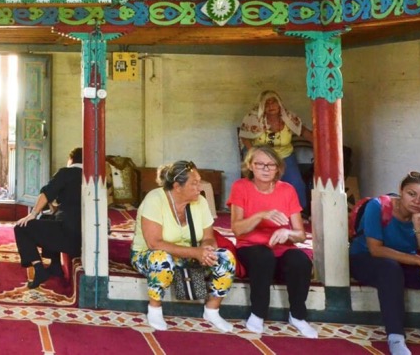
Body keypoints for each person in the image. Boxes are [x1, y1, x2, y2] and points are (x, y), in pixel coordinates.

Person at [131, 160, 236, 332]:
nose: (199, 187)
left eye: (199, 182)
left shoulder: (200, 202)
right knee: (161, 259)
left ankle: (212, 310)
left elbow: (208, 237)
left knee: (226, 258)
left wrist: (208, 250)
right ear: (177, 187)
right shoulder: (155, 199)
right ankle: (155, 309)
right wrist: (195, 252)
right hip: (149, 254)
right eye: (194, 183)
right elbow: (154, 243)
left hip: (190, 255)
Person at [228, 145, 318, 338]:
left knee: (300, 261)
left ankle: (298, 316)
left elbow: (301, 235)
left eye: (271, 165)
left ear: (278, 168)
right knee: (263, 256)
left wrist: (288, 232)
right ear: (250, 166)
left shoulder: (287, 190)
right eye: (260, 164)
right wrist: (261, 215)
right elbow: (237, 229)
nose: (266, 169)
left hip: (281, 250)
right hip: (251, 248)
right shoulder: (241, 186)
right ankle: (258, 313)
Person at [349, 172, 420, 355]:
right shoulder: (378, 206)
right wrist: (417, 259)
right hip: (366, 260)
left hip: (402, 263)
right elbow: (376, 249)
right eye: (411, 194)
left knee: (395, 269)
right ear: (401, 191)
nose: (417, 201)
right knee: (390, 269)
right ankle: (396, 337)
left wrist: (417, 223)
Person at [13, 147, 82, 289]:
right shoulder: (92, 177)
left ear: (71, 160)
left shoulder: (66, 173)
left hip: (68, 236)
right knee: (47, 217)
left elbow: (46, 193)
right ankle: (55, 265)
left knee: (21, 227)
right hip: (83, 238)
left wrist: (32, 214)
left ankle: (39, 269)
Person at [238, 90, 313, 212]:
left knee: (296, 183)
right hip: (262, 157)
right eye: (267, 103)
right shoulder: (253, 118)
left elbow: (304, 132)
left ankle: (298, 213)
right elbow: (244, 137)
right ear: (262, 106)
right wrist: (254, 154)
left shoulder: (288, 118)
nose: (271, 106)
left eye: (274, 102)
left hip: (285, 155)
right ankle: (260, 212)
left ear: (279, 104)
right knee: (263, 183)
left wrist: (321, 144)